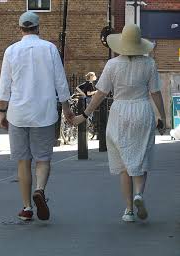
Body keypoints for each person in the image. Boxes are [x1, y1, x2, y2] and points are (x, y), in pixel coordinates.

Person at [72, 24, 166, 222]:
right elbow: (155, 92)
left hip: (120, 112)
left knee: (124, 164)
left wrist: (85, 115)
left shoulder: (112, 65)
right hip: (142, 109)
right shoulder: (149, 64)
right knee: (141, 156)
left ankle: (129, 210)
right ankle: (139, 193)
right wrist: (163, 117)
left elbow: (100, 94)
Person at [0, 11, 73, 221]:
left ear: (20, 28)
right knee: (42, 158)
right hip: (44, 112)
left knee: (23, 161)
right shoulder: (49, 48)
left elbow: (5, 85)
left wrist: (2, 112)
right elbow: (60, 80)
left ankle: (27, 207)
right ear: (38, 28)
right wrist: (66, 107)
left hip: (17, 113)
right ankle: (40, 189)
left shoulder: (10, 51)